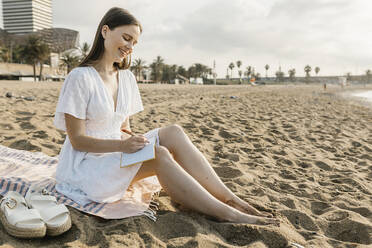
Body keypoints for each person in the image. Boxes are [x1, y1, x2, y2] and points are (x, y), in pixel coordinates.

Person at [54, 7, 279, 226]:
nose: (130, 47)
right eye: (126, 38)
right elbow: (77, 140)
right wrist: (126, 147)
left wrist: (135, 140)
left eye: (134, 43)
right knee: (159, 154)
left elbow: (123, 128)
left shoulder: (127, 78)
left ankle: (233, 200)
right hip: (84, 168)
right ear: (105, 31)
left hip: (115, 153)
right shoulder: (80, 78)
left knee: (173, 132)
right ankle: (228, 214)